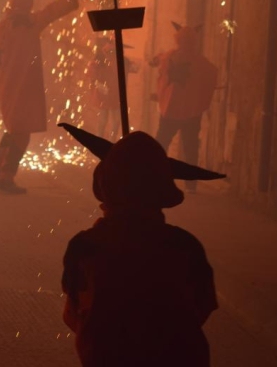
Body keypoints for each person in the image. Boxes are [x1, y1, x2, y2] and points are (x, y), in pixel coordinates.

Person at [61, 131, 218, 367]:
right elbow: (201, 307)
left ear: (104, 187)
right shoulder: (185, 246)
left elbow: (73, 314)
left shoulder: (87, 247)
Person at [0, 0, 89, 193]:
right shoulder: (30, 23)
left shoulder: (1, 28)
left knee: (15, 129)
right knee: (21, 132)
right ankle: (5, 175)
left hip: (5, 87)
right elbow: (52, 11)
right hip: (22, 87)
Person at [151, 23, 218, 192]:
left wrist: (161, 94)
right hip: (191, 111)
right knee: (190, 147)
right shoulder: (199, 61)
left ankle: (154, 176)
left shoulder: (169, 57)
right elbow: (212, 73)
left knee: (161, 144)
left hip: (171, 109)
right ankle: (191, 184)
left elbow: (160, 65)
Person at [87, 37, 138, 140]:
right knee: (103, 120)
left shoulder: (123, 60)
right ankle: (100, 142)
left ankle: (111, 141)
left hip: (116, 94)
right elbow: (92, 73)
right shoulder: (100, 59)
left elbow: (135, 68)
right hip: (105, 94)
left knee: (115, 121)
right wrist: (98, 84)